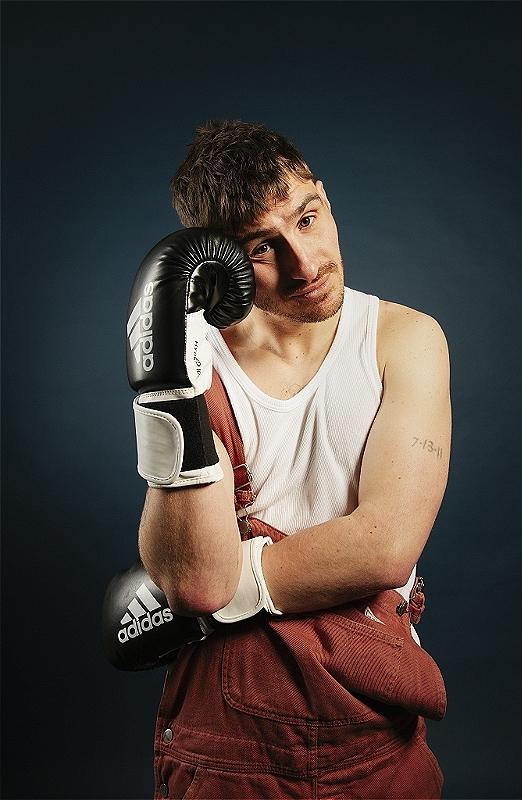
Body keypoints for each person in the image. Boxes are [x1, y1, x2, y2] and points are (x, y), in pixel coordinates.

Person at [135, 120, 452, 799]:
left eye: (309, 218)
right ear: (215, 262)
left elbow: (385, 546)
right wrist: (168, 391)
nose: (305, 263)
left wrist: (229, 589)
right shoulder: (198, 363)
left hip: (371, 721)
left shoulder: (403, 338)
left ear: (326, 199)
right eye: (262, 248)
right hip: (226, 738)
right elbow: (192, 582)